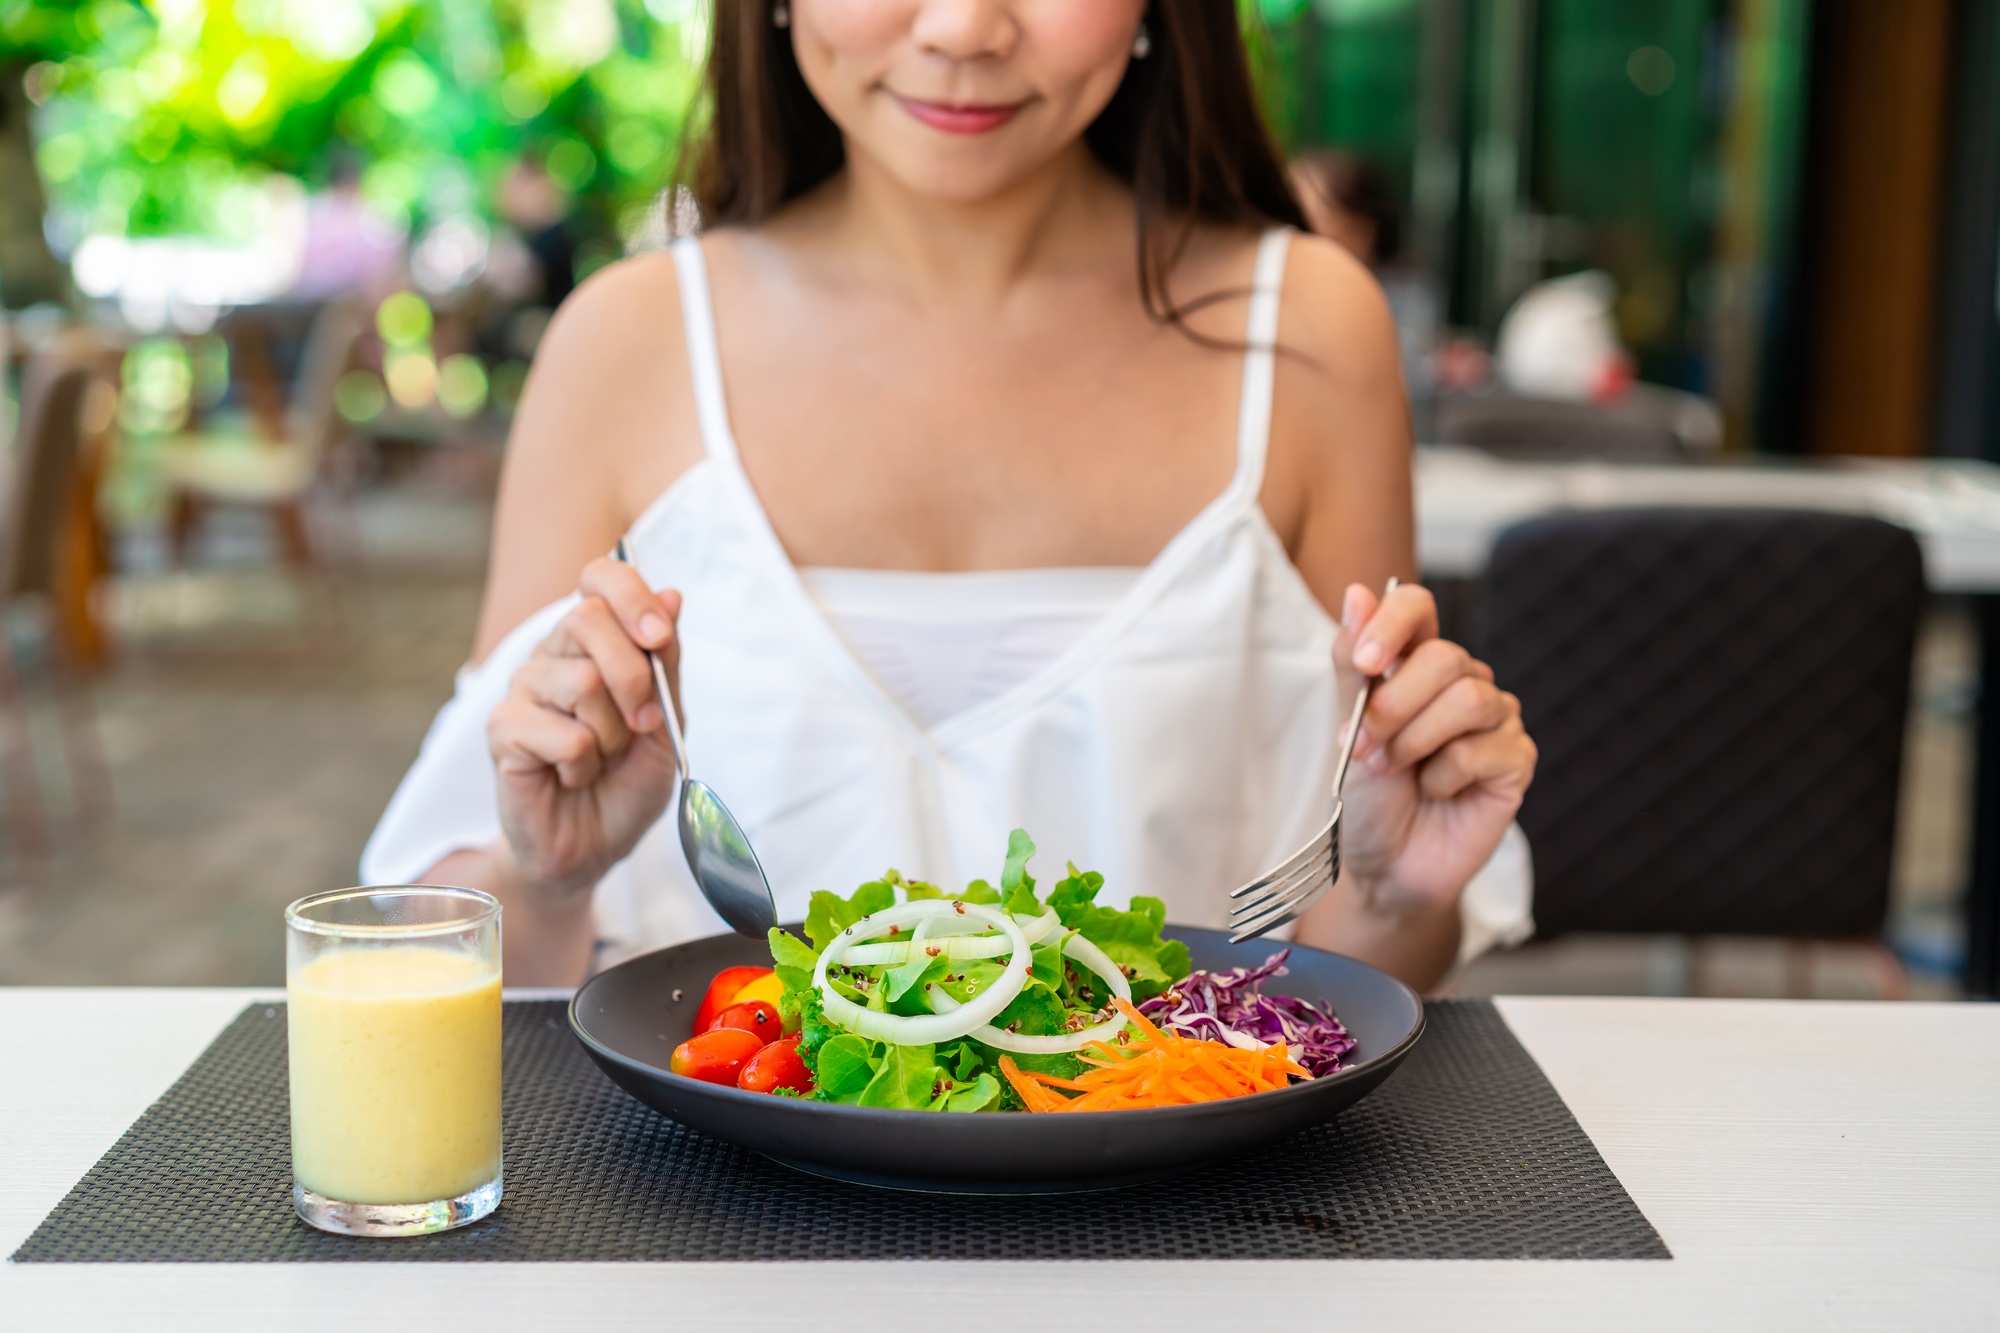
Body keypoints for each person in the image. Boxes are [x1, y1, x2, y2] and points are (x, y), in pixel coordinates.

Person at [363, 1, 1537, 992]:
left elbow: (1351, 992)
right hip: (698, 1228)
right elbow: (451, 957)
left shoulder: (1311, 330)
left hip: (1183, 1225)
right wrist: (548, 876)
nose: (966, 28)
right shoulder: (623, 341)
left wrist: (1386, 887)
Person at [1290, 149, 1441, 401]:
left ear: (1362, 228)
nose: (1288, 230)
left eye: (1307, 216)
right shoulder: (1273, 297)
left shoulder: (1401, 299)